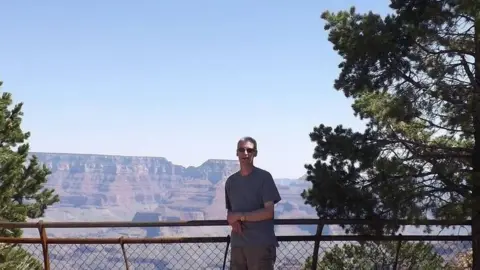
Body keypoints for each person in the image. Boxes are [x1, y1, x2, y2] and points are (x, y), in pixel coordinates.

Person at [225, 136, 282, 270]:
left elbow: (269, 212)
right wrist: (232, 220)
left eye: (249, 150)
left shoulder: (264, 178)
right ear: (236, 153)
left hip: (260, 245)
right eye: (241, 150)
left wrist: (240, 216)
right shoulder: (231, 182)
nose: (245, 153)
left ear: (255, 153)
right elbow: (230, 212)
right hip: (238, 245)